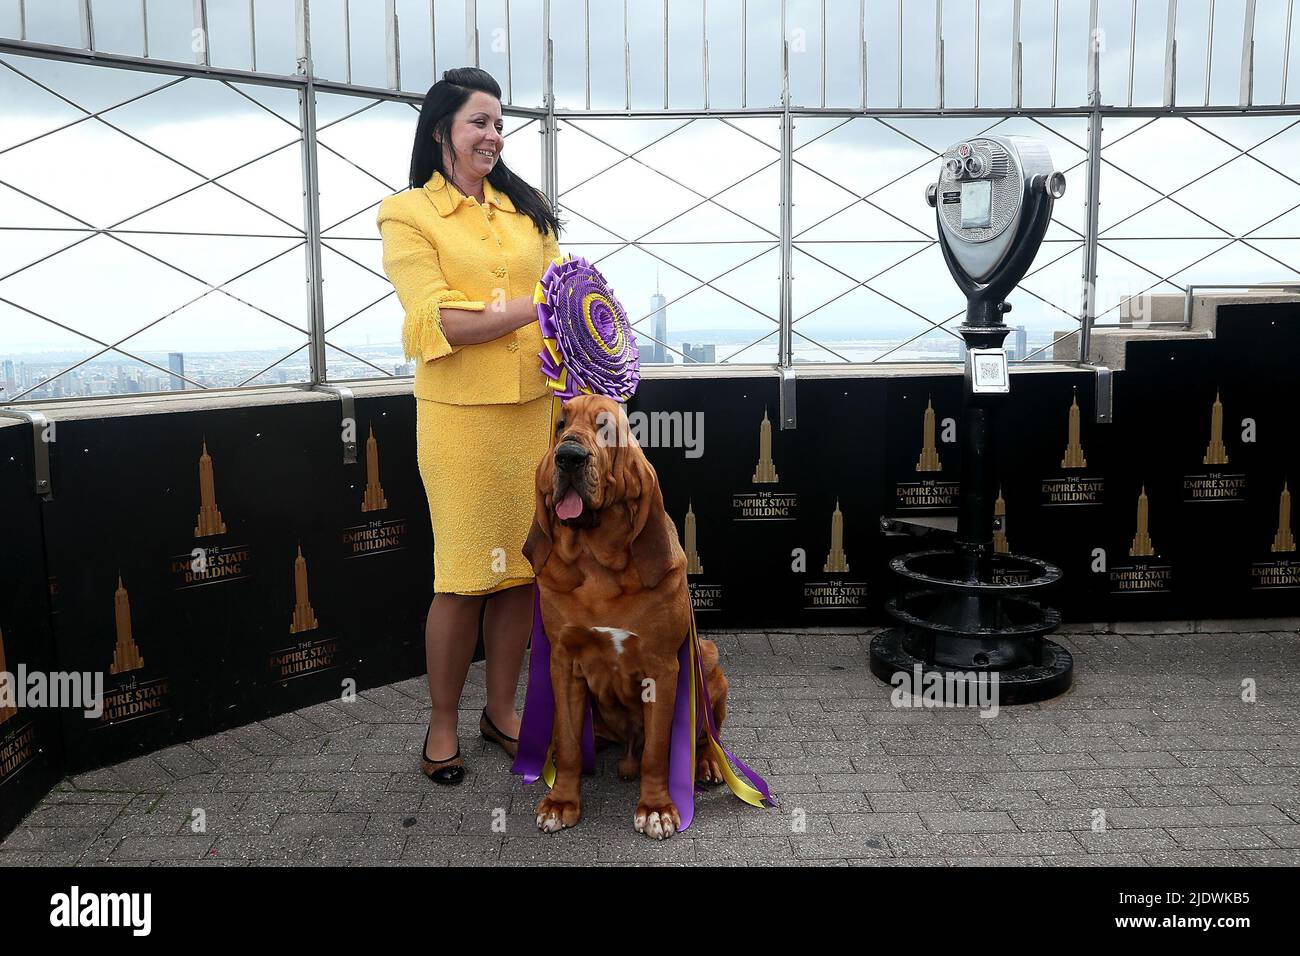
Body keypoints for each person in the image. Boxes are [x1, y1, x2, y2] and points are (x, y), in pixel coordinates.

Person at [376, 67, 562, 785]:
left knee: (522, 574)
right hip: (459, 424)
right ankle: (443, 726)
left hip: (534, 415)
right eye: (478, 122)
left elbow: (567, 302)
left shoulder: (526, 209)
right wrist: (535, 306)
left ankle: (502, 713)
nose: (492, 134)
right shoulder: (407, 214)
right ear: (440, 131)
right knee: (460, 580)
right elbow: (439, 321)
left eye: (498, 122)